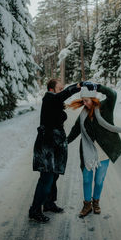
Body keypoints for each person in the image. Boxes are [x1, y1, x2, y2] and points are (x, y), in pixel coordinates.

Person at [67, 82, 121, 217]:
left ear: (93, 99)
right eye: (83, 101)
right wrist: (65, 142)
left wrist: (98, 87)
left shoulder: (105, 106)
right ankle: (87, 205)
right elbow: (75, 130)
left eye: (86, 100)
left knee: (99, 180)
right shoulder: (83, 114)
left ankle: (96, 202)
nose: (85, 103)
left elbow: (112, 94)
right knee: (87, 179)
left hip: (103, 151)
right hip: (87, 152)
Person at [29, 79, 81, 223]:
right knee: (46, 178)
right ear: (52, 89)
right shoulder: (49, 97)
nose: (62, 89)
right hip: (47, 146)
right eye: (60, 88)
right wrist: (76, 87)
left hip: (56, 146)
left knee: (54, 176)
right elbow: (61, 96)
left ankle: (49, 203)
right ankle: (34, 210)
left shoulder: (54, 102)